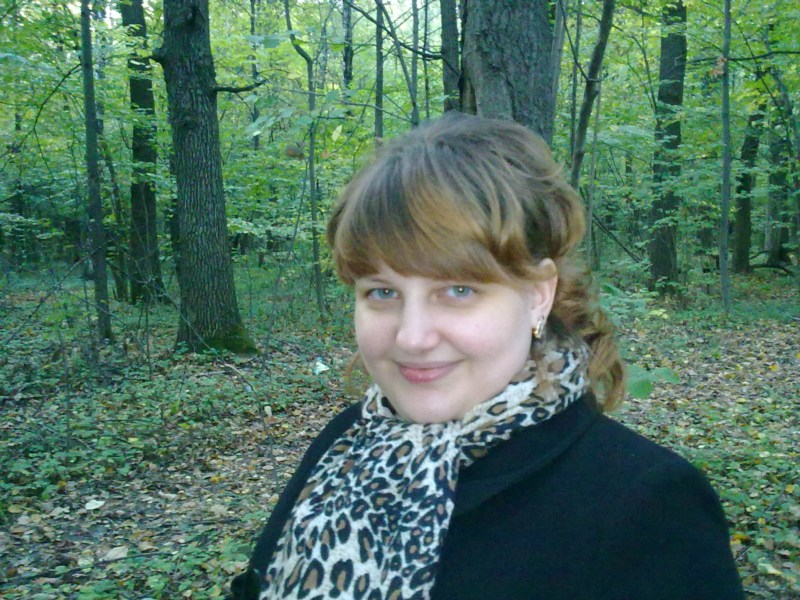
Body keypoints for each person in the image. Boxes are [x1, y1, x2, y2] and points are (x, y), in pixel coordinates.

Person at [232, 114, 743, 599]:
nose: (412, 337)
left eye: (458, 290)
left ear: (538, 294)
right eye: (382, 292)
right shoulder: (344, 445)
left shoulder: (645, 505)